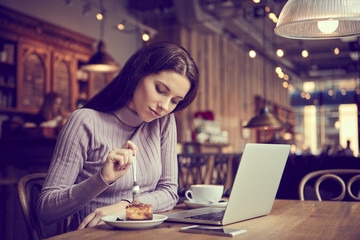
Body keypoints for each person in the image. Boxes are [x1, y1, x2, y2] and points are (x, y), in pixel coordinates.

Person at [37, 41, 199, 231]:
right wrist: (101, 180)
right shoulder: (85, 122)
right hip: (94, 235)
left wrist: (126, 207)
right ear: (139, 73)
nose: (165, 106)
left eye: (175, 101)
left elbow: (170, 193)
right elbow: (46, 210)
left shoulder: (164, 122)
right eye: (160, 90)